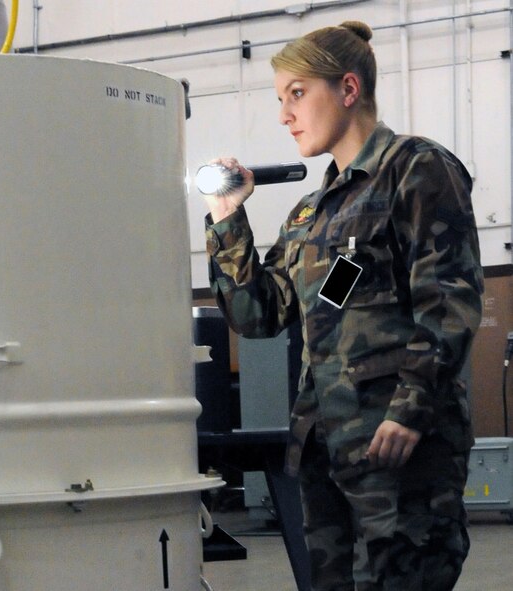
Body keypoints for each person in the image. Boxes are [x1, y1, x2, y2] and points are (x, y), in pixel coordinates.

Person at [203, 20, 483, 591]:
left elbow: (448, 301)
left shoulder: (415, 168)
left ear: (348, 89)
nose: (284, 114)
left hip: (397, 450)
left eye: (297, 93)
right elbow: (258, 314)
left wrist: (410, 408)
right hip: (325, 452)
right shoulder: (312, 212)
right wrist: (228, 217)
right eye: (280, 98)